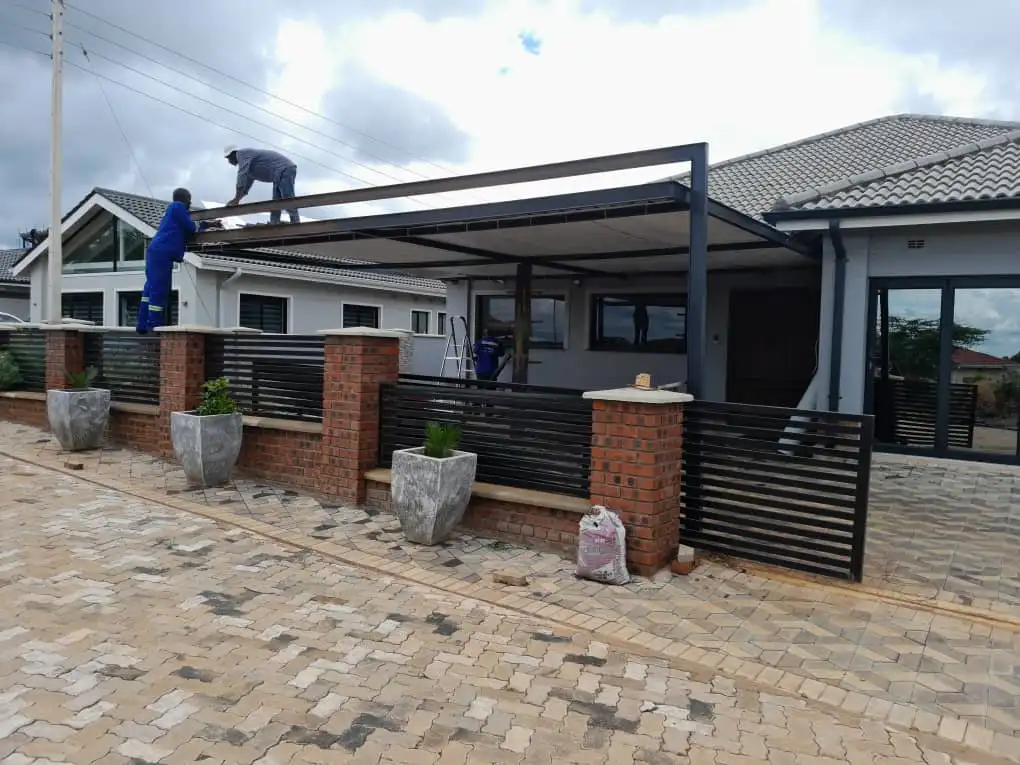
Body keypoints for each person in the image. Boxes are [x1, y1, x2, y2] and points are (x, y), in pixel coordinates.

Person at [136, 188, 220, 334]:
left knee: (150, 287)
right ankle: (154, 323)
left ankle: (142, 325)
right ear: (183, 199)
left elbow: (187, 224)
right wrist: (204, 225)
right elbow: (191, 227)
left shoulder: (173, 212)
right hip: (162, 253)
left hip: (156, 252)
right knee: (159, 288)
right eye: (189, 199)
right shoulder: (177, 206)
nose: (190, 202)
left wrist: (210, 224)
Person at [223, 145, 300, 225]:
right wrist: (236, 200)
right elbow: (245, 188)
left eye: (228, 158)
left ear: (232, 154)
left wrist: (236, 200)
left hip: (285, 169)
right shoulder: (249, 167)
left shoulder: (242, 154)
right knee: (276, 202)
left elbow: (241, 175)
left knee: (287, 197)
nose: (229, 162)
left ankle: (295, 222)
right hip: (278, 175)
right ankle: (274, 223)